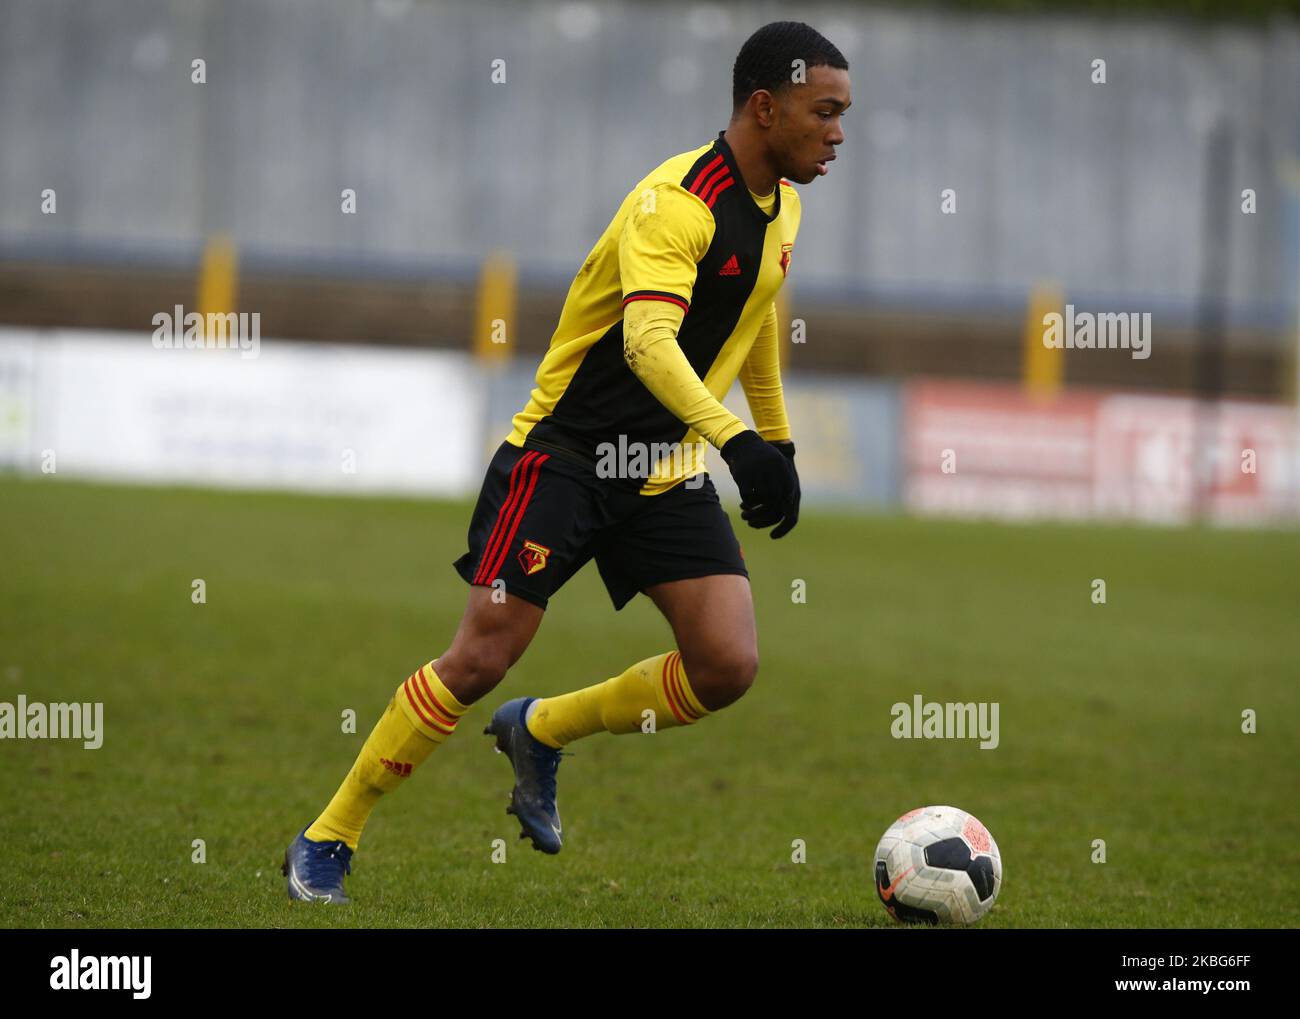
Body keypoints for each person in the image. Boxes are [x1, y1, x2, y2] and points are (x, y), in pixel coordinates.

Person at [283, 20, 850, 903]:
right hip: (566, 457)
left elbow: (758, 318)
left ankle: (541, 731)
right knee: (478, 657)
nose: (839, 132)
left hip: (657, 470)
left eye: (843, 114)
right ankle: (330, 832)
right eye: (825, 112)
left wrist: (775, 436)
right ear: (764, 107)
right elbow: (647, 344)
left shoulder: (786, 203)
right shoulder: (677, 203)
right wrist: (735, 441)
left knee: (727, 663)